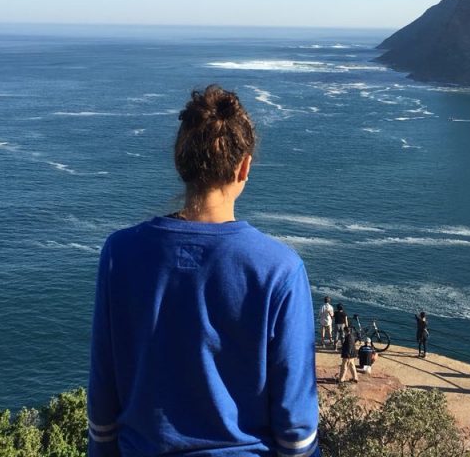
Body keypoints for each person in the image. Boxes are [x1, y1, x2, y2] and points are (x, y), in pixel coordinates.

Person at [87, 85, 319, 457]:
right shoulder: (279, 269)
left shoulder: (120, 253)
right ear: (244, 167)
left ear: (180, 161)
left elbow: (103, 398)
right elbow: (295, 425)